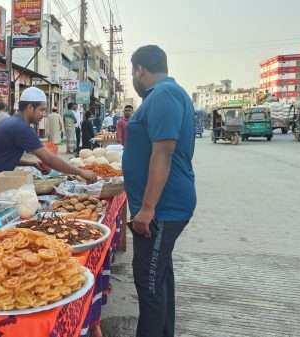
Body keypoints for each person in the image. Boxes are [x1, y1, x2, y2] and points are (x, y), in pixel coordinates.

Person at [122, 45, 196, 337]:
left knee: (149, 281)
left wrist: (148, 208)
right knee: (160, 275)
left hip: (162, 209)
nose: (133, 78)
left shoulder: (164, 95)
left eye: (132, 72)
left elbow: (163, 152)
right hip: (162, 207)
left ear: (140, 69)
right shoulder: (165, 94)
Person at [0, 87, 97, 198]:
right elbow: (49, 158)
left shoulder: (12, 122)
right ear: (30, 107)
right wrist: (80, 172)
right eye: (42, 110)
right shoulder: (21, 127)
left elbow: (3, 156)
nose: (44, 114)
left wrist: (32, 163)